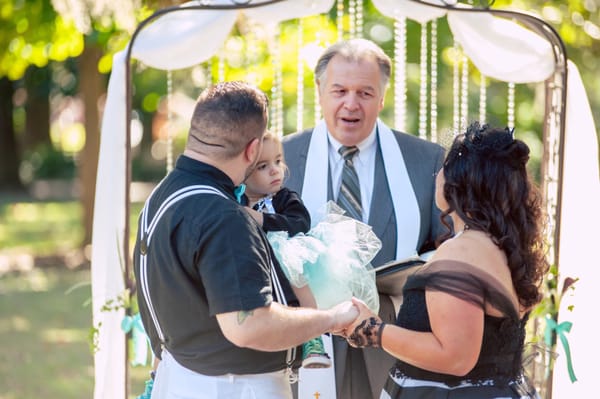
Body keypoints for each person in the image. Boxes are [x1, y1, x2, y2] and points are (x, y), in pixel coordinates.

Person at [132, 81, 359, 399]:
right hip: (232, 388)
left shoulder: (163, 194)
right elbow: (250, 325)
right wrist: (332, 317)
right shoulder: (225, 217)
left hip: (181, 379)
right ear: (252, 150)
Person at [283, 38, 447, 398]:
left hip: (395, 340)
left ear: (382, 98)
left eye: (365, 93)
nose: (350, 104)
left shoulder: (426, 160)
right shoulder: (281, 157)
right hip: (308, 347)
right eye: (339, 90)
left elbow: (450, 248)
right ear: (320, 91)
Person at [343, 122, 548, 398]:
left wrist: (374, 331)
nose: (436, 174)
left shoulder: (461, 252)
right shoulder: (500, 248)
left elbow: (455, 357)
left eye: (444, 166)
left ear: (463, 182)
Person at [240, 130, 332, 369]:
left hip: (287, 254)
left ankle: (313, 340)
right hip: (256, 258)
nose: (275, 170)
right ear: (243, 173)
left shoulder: (283, 197)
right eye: (263, 166)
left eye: (278, 161)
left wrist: (262, 219)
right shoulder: (236, 202)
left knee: (299, 283)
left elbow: (300, 222)